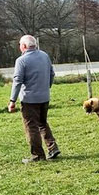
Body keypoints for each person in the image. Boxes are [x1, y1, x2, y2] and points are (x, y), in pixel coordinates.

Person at [8, 34, 60, 162]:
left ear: (24, 46)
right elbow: (52, 73)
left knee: (31, 127)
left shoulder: (21, 60)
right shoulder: (44, 55)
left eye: (20, 44)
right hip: (44, 96)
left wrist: (12, 100)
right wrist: (46, 87)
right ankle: (52, 148)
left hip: (29, 99)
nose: (19, 47)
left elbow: (17, 81)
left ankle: (38, 155)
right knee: (42, 123)